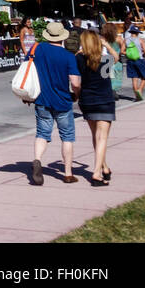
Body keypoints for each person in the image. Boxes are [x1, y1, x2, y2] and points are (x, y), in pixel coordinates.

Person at [28, 21, 81, 185]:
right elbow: (75, 83)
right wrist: (76, 95)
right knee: (67, 136)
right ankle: (67, 173)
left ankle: (37, 159)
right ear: (62, 38)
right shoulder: (68, 56)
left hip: (42, 99)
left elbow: (28, 69)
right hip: (63, 101)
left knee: (42, 134)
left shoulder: (37, 49)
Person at [75, 30, 115, 187]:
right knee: (102, 137)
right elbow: (116, 59)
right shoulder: (105, 60)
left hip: (87, 100)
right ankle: (96, 173)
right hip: (104, 100)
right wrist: (108, 46)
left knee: (95, 136)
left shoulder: (79, 58)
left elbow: (76, 79)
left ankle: (104, 167)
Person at [124, 25, 145, 102]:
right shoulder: (141, 40)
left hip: (130, 61)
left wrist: (129, 54)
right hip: (139, 60)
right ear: (137, 33)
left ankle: (137, 97)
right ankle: (140, 90)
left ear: (130, 32)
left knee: (134, 78)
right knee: (144, 76)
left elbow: (122, 51)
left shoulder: (125, 40)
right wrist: (143, 54)